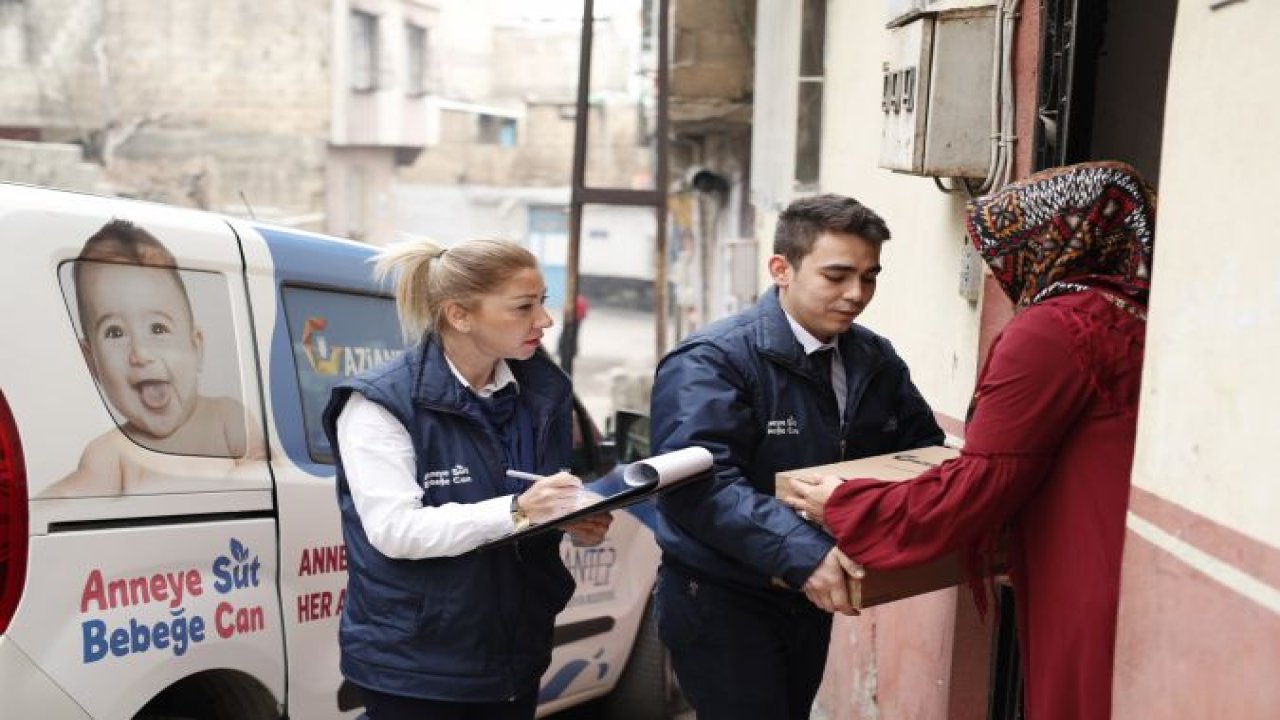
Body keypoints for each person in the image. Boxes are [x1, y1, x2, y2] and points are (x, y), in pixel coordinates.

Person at [784, 161, 1155, 720]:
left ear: (1048, 241)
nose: (1004, 269)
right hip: (1132, 568)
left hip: (1084, 574)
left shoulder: (1055, 327)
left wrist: (848, 504)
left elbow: (986, 478)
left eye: (1005, 251)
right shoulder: (1137, 314)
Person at [649, 194, 945, 719]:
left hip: (807, 592)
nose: (856, 294)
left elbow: (918, 456)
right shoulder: (713, 360)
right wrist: (802, 552)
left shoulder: (874, 358)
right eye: (837, 276)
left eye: (869, 276)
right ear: (781, 269)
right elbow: (698, 483)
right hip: (720, 597)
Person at [320, 238, 613, 720]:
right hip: (417, 665)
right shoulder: (379, 404)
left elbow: (536, 494)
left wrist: (569, 518)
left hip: (515, 653)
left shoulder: (541, 391)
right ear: (460, 315)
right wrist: (518, 511)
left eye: (543, 301)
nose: (544, 320)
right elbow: (395, 531)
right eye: (524, 306)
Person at [48, 219, 258, 497]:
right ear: (92, 363)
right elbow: (58, 503)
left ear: (196, 348)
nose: (140, 354)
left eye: (158, 328)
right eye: (115, 332)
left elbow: (269, 472)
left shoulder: (227, 420)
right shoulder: (112, 455)